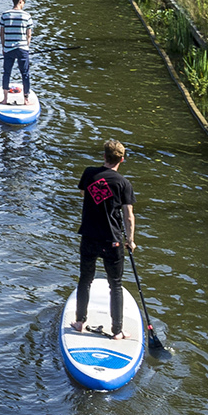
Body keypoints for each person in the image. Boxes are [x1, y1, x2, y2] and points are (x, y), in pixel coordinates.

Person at [73, 139, 137, 339]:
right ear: (122, 160)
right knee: (115, 285)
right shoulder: (124, 183)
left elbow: (84, 192)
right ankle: (117, 331)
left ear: (104, 156)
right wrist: (131, 240)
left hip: (89, 237)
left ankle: (79, 321)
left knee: (85, 279)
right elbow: (128, 216)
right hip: (113, 241)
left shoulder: (90, 173)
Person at [0, 0, 32, 105]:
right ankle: (26, 100)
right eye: (24, 3)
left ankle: (5, 99)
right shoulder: (27, 16)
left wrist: (4, 46)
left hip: (8, 48)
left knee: (7, 73)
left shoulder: (5, 15)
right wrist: (27, 46)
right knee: (25, 73)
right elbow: (29, 35)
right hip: (23, 49)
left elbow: (1, 34)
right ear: (21, 2)